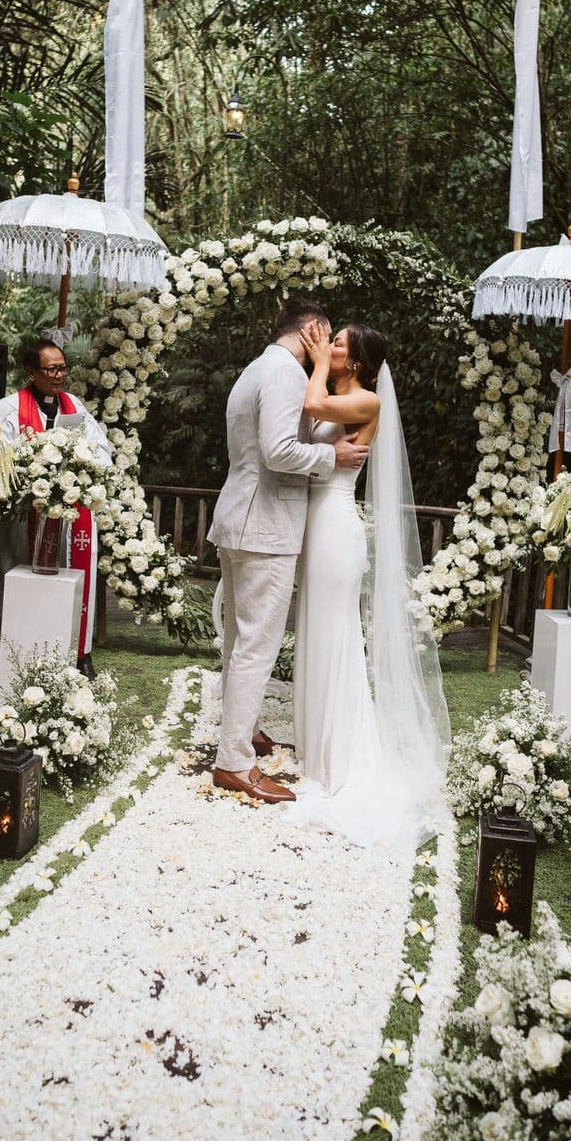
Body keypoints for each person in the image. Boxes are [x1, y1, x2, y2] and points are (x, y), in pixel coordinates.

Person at [283, 322, 451, 846]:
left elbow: (312, 410)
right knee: (316, 629)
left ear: (355, 362)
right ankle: (316, 747)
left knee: (336, 634)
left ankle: (341, 756)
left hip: (336, 526)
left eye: (337, 345)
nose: (326, 348)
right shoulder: (339, 392)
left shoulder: (367, 402)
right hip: (316, 523)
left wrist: (312, 366)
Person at [207, 299, 369, 804]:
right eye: (328, 334)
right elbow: (278, 451)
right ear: (314, 330)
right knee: (256, 643)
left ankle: (244, 730)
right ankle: (234, 762)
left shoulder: (258, 367)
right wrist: (332, 455)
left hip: (240, 518)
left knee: (240, 638)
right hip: (266, 526)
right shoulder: (285, 375)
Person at [0, 338, 113, 677]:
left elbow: (100, 448)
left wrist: (84, 469)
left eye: (63, 368)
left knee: (68, 579)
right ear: (31, 372)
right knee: (23, 576)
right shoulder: (9, 408)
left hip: (69, 514)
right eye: (52, 369)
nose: (59, 375)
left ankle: (77, 652)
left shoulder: (74, 405)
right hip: (24, 513)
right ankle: (23, 650)